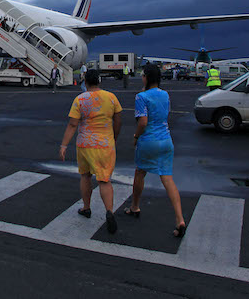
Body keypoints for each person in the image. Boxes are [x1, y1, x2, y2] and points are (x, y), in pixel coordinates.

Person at [126, 64, 186, 238]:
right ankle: (179, 218)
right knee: (167, 179)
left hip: (148, 141)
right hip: (166, 140)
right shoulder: (165, 95)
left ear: (146, 77)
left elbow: (143, 122)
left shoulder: (141, 97)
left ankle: (135, 206)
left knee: (140, 174)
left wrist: (136, 136)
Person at [59, 69, 123, 234]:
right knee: (104, 180)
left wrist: (64, 145)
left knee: (85, 175)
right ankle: (109, 210)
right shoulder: (111, 98)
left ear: (85, 82)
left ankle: (86, 208)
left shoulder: (80, 99)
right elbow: (118, 120)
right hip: (105, 144)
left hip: (85, 144)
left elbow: (73, 124)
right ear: (99, 81)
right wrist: (113, 138)